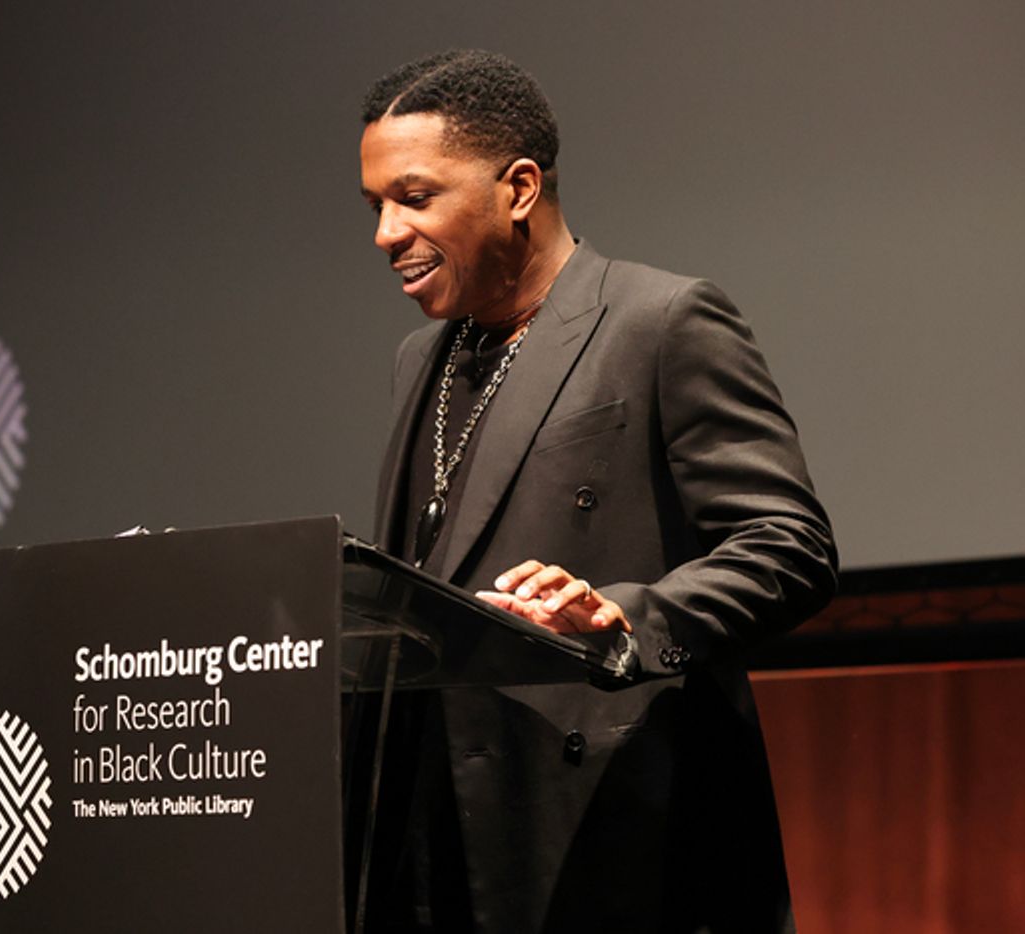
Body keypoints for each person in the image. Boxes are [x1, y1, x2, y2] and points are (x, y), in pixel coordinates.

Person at [358, 50, 838, 933]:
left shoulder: (662, 322)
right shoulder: (416, 362)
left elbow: (789, 545)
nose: (386, 232)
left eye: (414, 198)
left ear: (519, 188)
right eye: (376, 206)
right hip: (438, 842)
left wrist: (627, 619)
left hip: (609, 838)